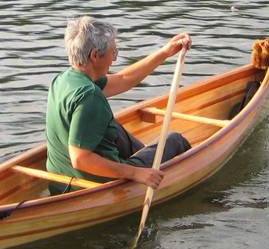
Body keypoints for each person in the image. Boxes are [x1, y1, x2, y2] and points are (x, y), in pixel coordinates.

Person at [45, 16, 192, 191]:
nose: (114, 59)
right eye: (112, 52)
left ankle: (148, 158)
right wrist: (135, 173)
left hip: (59, 181)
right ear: (94, 55)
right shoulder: (90, 96)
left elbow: (124, 79)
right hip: (93, 185)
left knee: (113, 126)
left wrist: (165, 52)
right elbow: (80, 159)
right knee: (174, 140)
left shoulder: (63, 80)